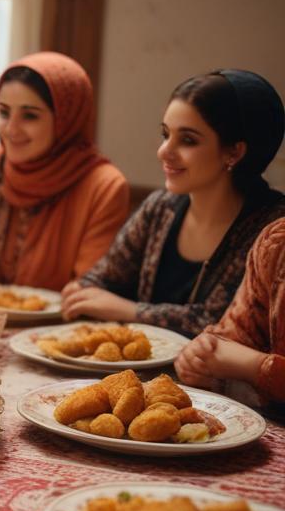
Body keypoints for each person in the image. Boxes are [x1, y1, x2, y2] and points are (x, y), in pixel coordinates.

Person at [63, 69, 285, 337]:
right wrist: (83, 290)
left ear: (235, 152)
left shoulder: (272, 230)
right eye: (166, 134)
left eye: (188, 140)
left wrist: (132, 311)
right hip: (141, 373)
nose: (164, 151)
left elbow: (221, 324)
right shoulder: (160, 208)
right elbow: (104, 278)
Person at [0, 52, 129, 293]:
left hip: (59, 329)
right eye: (4, 112)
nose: (11, 129)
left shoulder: (104, 187)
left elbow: (90, 286)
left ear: (65, 119)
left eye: (30, 116)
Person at [175, 218, 285, 406]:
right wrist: (201, 360)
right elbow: (235, 338)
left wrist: (255, 367)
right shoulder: (276, 241)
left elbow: (242, 359)